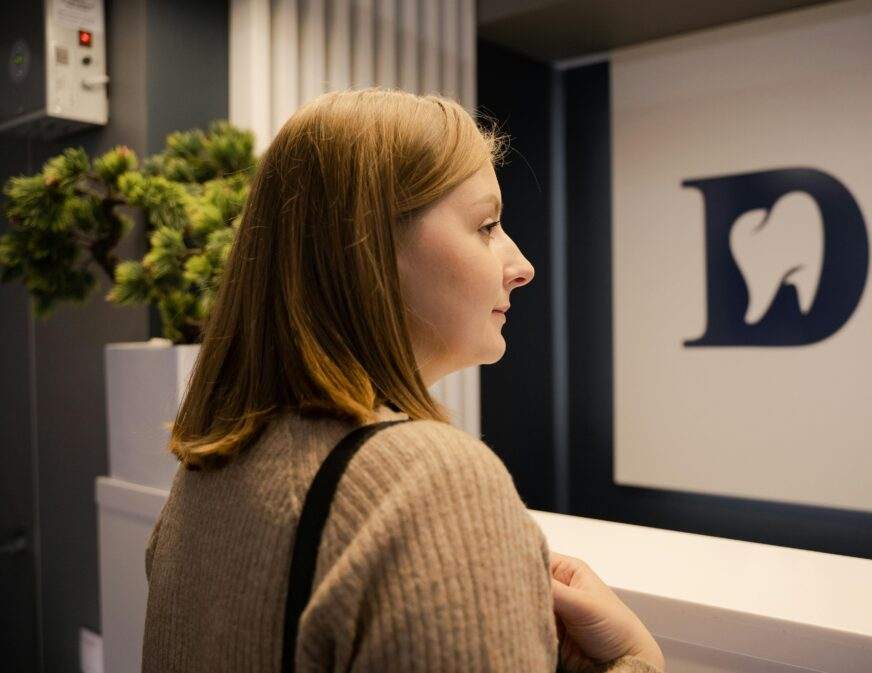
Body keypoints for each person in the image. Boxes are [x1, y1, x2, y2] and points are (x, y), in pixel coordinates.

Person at [141, 87, 665, 673]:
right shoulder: (431, 485)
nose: (521, 267)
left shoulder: (204, 479)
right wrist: (635, 661)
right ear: (368, 249)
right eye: (487, 225)